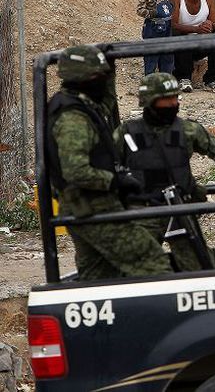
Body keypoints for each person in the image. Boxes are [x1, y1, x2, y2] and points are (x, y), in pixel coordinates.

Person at [114, 72, 215, 271]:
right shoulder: (126, 133)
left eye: (175, 98)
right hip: (142, 212)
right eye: (167, 99)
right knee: (139, 269)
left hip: (180, 208)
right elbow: (105, 167)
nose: (174, 103)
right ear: (149, 102)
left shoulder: (188, 130)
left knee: (200, 266)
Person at [47, 45, 172, 280]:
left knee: (97, 276)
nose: (101, 80)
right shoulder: (72, 118)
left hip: (84, 206)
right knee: (152, 262)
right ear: (80, 78)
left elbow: (106, 104)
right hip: (93, 207)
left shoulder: (81, 104)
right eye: (98, 76)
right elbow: (76, 171)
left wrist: (110, 67)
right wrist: (117, 181)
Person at [137, 0, 174, 74]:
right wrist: (153, 12)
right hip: (153, 27)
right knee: (152, 55)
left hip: (167, 25)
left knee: (167, 54)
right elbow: (140, 10)